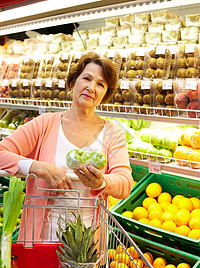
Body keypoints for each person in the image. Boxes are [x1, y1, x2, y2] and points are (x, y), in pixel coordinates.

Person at [0, 51, 133, 241]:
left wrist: (101, 182)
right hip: (41, 237)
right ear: (73, 83)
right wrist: (38, 167)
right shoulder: (44, 124)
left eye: (100, 84)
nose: (91, 87)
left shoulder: (113, 133)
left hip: (87, 243)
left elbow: (125, 183)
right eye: (86, 78)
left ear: (105, 94)